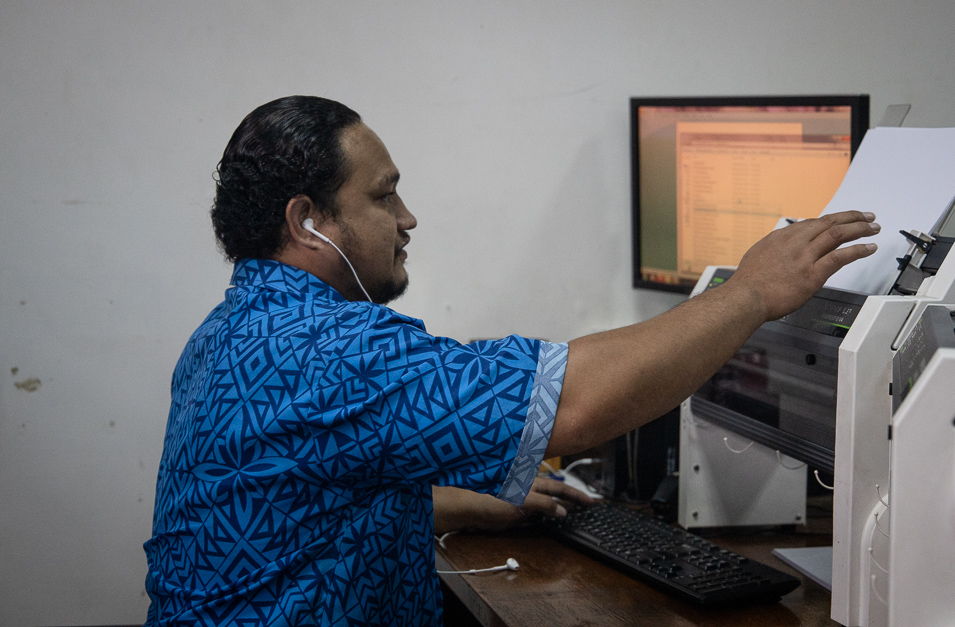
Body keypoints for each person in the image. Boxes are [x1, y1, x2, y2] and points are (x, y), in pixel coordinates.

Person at [143, 95, 879, 626]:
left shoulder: (228, 330)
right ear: (308, 221)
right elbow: (576, 405)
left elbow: (306, 493)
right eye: (384, 195)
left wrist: (469, 502)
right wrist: (752, 292)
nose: (407, 219)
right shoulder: (328, 351)